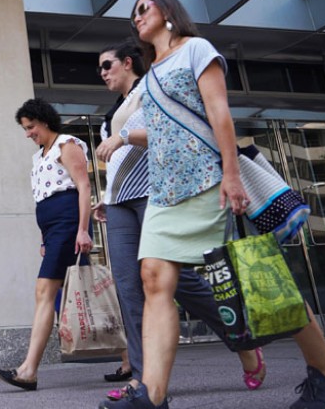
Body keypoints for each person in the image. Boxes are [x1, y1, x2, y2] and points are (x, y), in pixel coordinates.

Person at [101, 0, 325, 409]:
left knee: (256, 281)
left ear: (168, 12)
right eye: (133, 15)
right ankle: (153, 395)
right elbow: (162, 133)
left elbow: (219, 113)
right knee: (153, 278)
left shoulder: (197, 50)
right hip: (165, 191)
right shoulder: (150, 76)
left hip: (205, 180)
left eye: (143, 8)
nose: (137, 18)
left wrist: (231, 175)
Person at [92, 40, 264, 402]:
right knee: (128, 287)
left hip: (157, 194)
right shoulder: (114, 109)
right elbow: (118, 160)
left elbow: (169, 134)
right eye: (100, 69)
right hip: (121, 203)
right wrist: (105, 198)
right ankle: (142, 382)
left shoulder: (150, 90)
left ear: (127, 63)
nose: (103, 73)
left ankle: (244, 339)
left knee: (179, 279)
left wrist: (123, 137)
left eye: (107, 65)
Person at [0, 98, 93, 391]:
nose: (28, 134)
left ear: (45, 120)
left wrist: (83, 230)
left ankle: (28, 370)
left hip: (67, 224)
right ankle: (130, 359)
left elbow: (83, 186)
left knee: (44, 291)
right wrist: (43, 239)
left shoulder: (68, 144)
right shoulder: (39, 157)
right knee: (84, 294)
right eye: (25, 129)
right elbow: (42, 197)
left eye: (31, 127)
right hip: (52, 230)